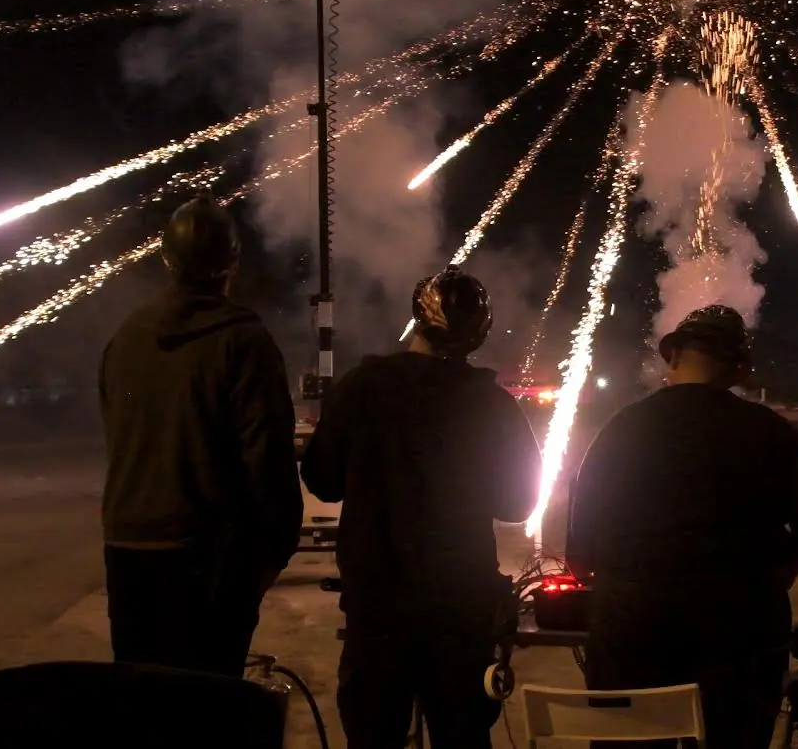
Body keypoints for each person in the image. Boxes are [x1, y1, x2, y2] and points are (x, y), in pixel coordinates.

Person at [566, 305, 798, 749]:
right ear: (740, 369)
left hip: (633, 636)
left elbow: (580, 550)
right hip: (742, 635)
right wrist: (782, 570)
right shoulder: (768, 432)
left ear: (673, 358)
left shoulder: (621, 431)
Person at [302, 265, 542, 749]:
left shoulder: (363, 388)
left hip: (378, 609)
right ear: (478, 334)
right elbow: (518, 503)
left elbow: (321, 479)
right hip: (460, 613)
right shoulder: (492, 405)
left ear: (418, 320)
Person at [99, 193, 304, 677]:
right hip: (206, 557)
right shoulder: (243, 342)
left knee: (142, 706)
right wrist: (271, 556)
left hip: (128, 551)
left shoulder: (125, 337)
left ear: (166, 259)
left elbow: (117, 435)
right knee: (205, 711)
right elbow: (268, 461)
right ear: (232, 262)